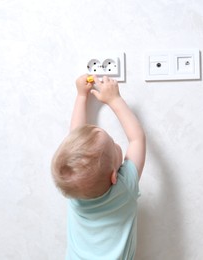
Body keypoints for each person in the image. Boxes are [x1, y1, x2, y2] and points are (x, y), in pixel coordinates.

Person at [51, 74, 146, 259]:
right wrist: (114, 99)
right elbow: (137, 139)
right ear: (114, 176)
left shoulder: (75, 192)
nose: (117, 143)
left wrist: (81, 96)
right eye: (113, 144)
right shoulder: (125, 188)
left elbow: (76, 137)